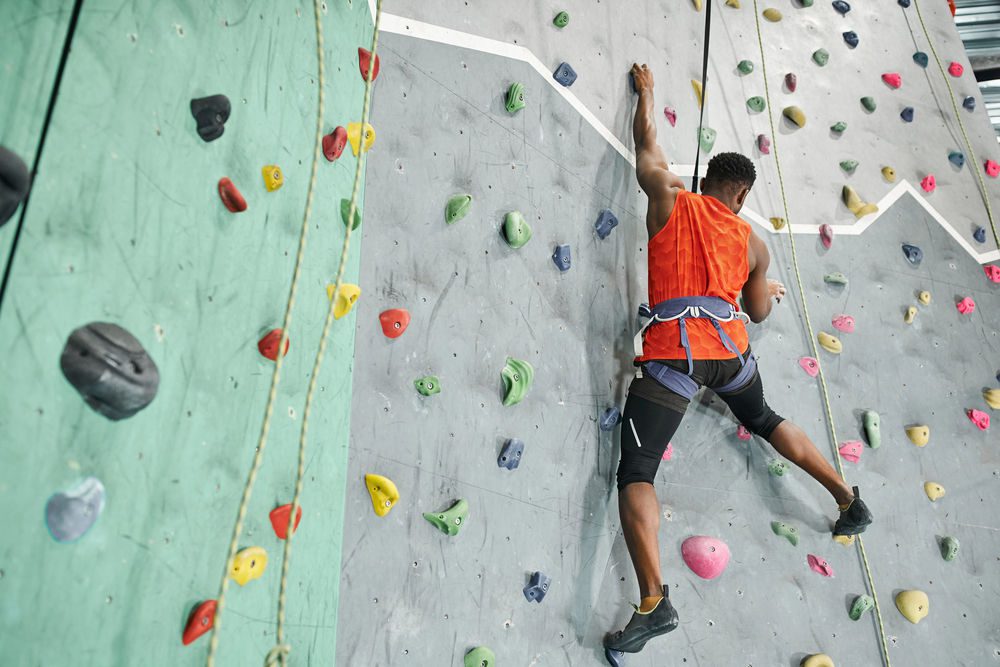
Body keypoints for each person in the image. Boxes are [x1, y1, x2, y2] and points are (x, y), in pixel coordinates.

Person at [604, 63, 874, 655]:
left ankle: (653, 601)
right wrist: (764, 287)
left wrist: (648, 93)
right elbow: (758, 313)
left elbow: (647, 143)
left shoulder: (669, 196)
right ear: (743, 195)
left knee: (638, 472)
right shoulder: (754, 242)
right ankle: (848, 500)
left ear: (704, 181)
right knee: (766, 418)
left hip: (676, 358)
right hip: (732, 356)